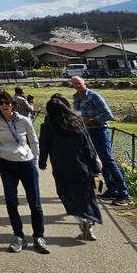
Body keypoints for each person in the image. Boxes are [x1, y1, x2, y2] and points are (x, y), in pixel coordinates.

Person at [0, 90, 48, 253]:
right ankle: (18, 236)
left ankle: (38, 236)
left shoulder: (23, 120)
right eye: (0, 103)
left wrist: (35, 160)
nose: (4, 106)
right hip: (7, 164)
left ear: (13, 104)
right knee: (11, 201)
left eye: (7, 102)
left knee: (34, 202)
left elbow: (34, 141)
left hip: (26, 163)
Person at [39, 94, 103, 240]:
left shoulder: (47, 127)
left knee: (67, 195)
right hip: (81, 166)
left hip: (61, 167)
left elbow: (44, 146)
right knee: (87, 196)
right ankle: (90, 223)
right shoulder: (77, 123)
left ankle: (81, 221)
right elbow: (88, 146)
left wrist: (42, 162)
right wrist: (95, 167)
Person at [70, 75, 131, 205]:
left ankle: (124, 193)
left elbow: (108, 114)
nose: (77, 86)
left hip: (100, 131)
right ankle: (112, 189)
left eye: (79, 83)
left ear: (84, 83)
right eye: (74, 84)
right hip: (87, 132)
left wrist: (92, 120)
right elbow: (77, 112)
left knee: (108, 160)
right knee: (101, 160)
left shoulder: (94, 96)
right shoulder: (75, 98)